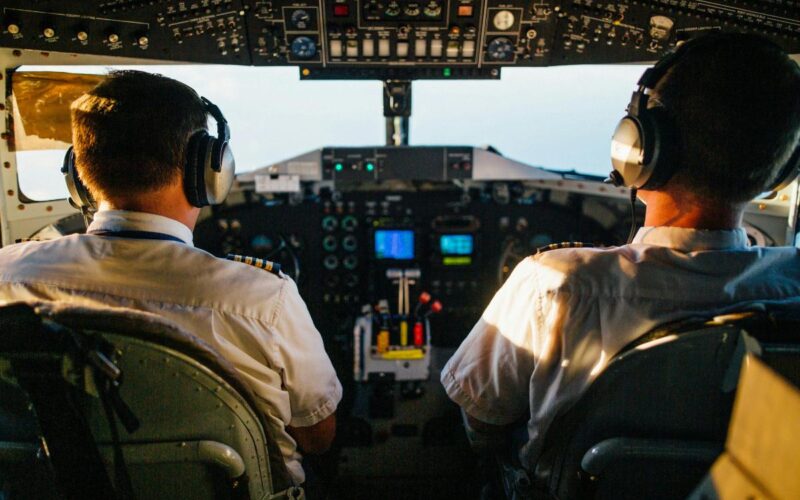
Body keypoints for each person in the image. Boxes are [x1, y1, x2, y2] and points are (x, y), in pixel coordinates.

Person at [440, 32, 800, 471]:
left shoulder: (554, 286)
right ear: (781, 170)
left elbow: (482, 423)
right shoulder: (792, 285)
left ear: (641, 148)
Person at [0, 70, 341, 485]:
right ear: (209, 170)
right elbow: (317, 437)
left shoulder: (6, 274)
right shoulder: (264, 300)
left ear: (79, 173)